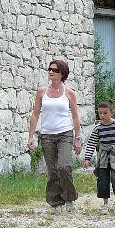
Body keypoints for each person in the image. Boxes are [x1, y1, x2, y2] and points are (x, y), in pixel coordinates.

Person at [28, 60, 82, 214]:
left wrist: (78, 138)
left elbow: (76, 117)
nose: (51, 72)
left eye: (55, 70)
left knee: (64, 166)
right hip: (47, 135)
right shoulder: (42, 92)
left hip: (65, 134)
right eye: (50, 69)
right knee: (53, 171)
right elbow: (35, 114)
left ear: (62, 73)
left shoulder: (69, 93)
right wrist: (31, 136)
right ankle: (56, 202)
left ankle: (70, 198)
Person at [82, 101, 115, 215]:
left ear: (111, 113)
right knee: (103, 179)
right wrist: (87, 159)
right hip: (103, 155)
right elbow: (92, 142)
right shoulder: (98, 128)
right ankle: (105, 204)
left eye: (105, 113)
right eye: (100, 113)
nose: (102, 115)